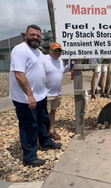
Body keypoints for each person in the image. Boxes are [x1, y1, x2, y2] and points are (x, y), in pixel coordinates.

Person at [9, 25, 62, 167]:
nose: (35, 37)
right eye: (32, 35)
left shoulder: (38, 52)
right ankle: (29, 156)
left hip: (40, 95)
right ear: (25, 35)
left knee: (43, 121)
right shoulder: (19, 50)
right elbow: (19, 74)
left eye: (38, 36)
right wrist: (30, 96)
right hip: (25, 98)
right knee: (29, 126)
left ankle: (46, 142)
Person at [44, 42, 75, 140]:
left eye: (59, 50)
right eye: (55, 50)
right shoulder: (44, 59)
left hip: (57, 93)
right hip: (46, 94)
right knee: (44, 115)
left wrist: (69, 66)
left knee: (53, 112)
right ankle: (43, 134)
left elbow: (61, 71)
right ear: (50, 50)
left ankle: (51, 131)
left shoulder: (60, 61)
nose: (57, 52)